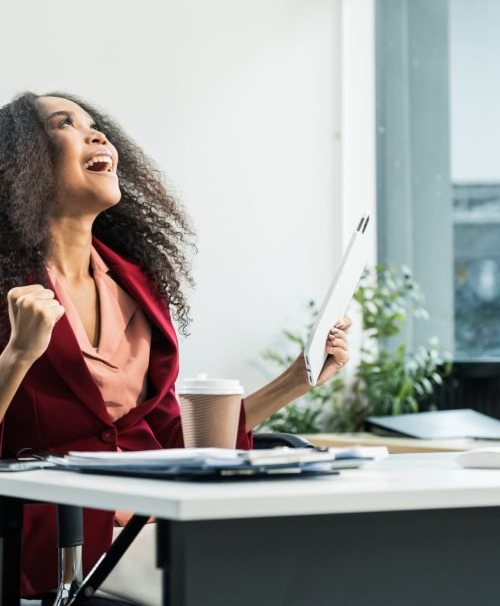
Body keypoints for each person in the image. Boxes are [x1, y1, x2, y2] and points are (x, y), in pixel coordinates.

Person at [0, 91, 351, 601]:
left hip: (155, 524)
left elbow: (172, 440)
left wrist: (298, 379)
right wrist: (17, 355)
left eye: (95, 125)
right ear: (23, 162)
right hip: (61, 549)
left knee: (317, 555)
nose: (97, 135)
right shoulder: (9, 288)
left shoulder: (140, 288)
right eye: (65, 124)